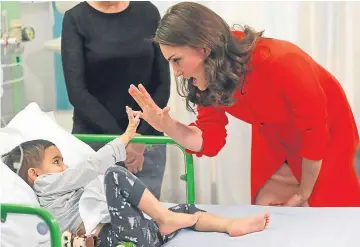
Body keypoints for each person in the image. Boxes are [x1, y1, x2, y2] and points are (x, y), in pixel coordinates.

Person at [128, 2, 360, 207]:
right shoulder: (208, 78)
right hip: (275, 137)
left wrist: (304, 193)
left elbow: (314, 133)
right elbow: (208, 139)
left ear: (203, 48)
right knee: (267, 211)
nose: (176, 73)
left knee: (329, 214)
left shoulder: (282, 60)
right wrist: (166, 124)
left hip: (329, 136)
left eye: (176, 60)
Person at [2, 107, 270, 247]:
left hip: (130, 235)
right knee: (114, 176)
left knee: (184, 210)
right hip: (112, 239)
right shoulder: (47, 185)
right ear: (34, 174)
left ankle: (228, 225)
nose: (65, 166)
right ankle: (166, 219)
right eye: (57, 161)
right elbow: (90, 168)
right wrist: (128, 134)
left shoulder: (63, 188)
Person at [61, 1, 170, 200]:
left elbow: (163, 83)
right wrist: (124, 140)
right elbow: (77, 92)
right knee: (97, 222)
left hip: (146, 142)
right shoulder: (76, 19)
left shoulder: (148, 13)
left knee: (149, 222)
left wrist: (139, 137)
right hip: (96, 143)